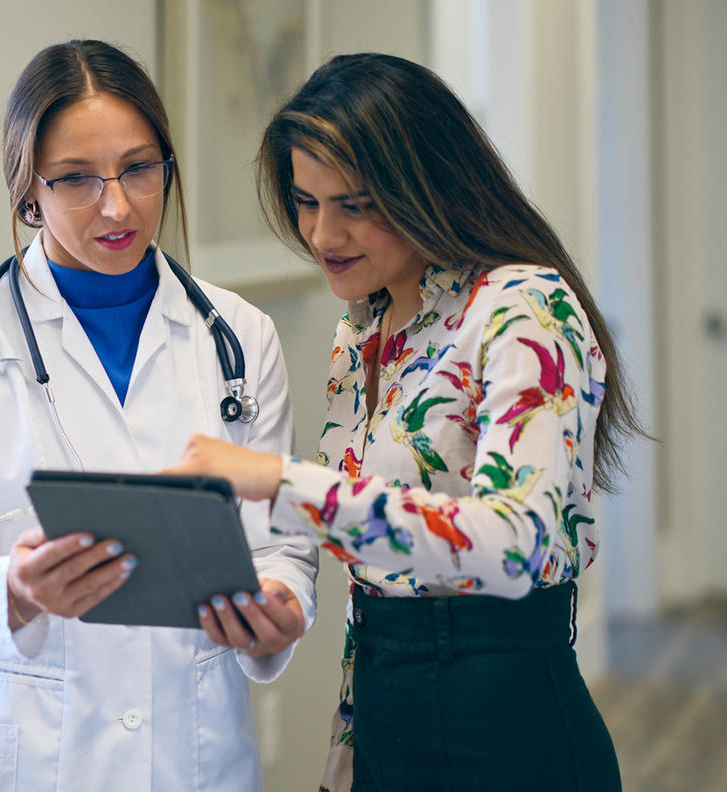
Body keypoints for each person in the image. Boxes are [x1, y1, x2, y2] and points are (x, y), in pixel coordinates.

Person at [167, 53, 638, 791]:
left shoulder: (522, 306)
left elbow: (516, 541)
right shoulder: (363, 328)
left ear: (428, 184)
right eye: (306, 201)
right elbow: (378, 587)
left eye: (355, 204)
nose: (323, 234)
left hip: (505, 714)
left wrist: (278, 482)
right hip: (386, 703)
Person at [0, 39, 319, 791]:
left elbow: (279, 547)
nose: (116, 205)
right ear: (29, 191)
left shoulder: (240, 337)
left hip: (191, 752)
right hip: (18, 754)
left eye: (140, 168)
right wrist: (11, 592)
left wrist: (285, 603)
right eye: (76, 179)